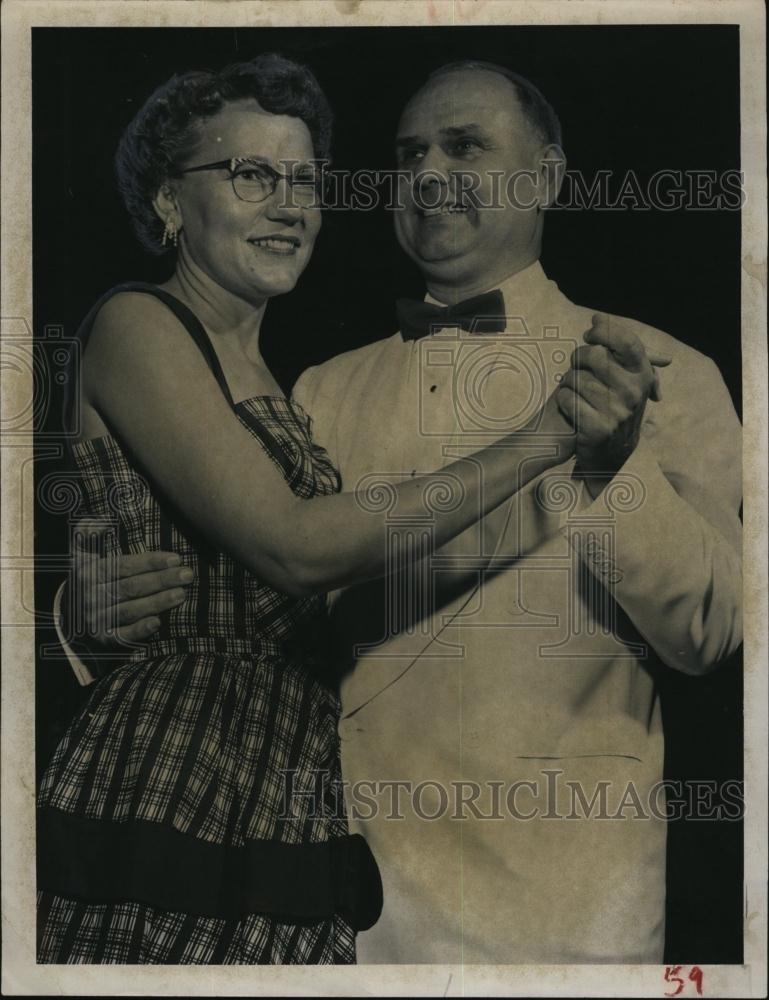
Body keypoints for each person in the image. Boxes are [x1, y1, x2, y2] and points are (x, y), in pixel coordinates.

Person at [57, 61, 742, 963]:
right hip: (324, 896)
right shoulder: (320, 387)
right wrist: (82, 620)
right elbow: (267, 591)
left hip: (561, 903)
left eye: (464, 146)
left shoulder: (661, 371)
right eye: (408, 152)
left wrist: (607, 476)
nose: (425, 173)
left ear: (545, 176)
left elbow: (711, 630)